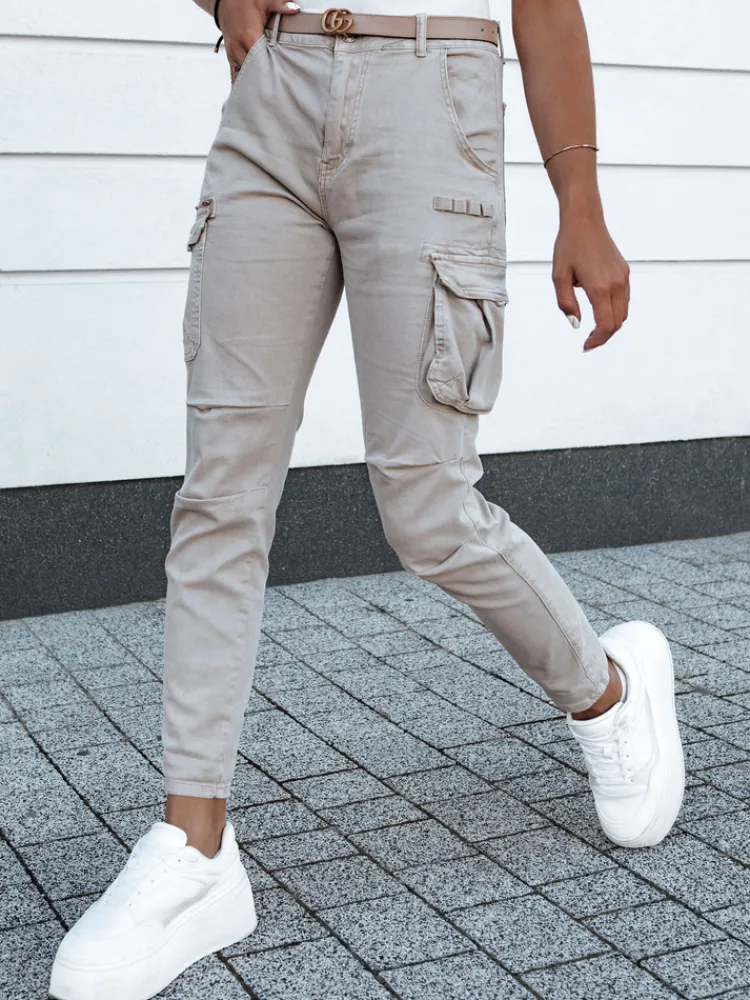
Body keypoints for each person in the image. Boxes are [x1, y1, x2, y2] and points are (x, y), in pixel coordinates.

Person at [49, 1, 685, 997]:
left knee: (428, 508)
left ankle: (607, 689)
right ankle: (194, 846)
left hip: (433, 93)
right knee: (220, 492)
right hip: (275, 95)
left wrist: (582, 200)